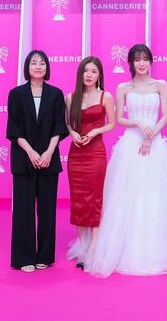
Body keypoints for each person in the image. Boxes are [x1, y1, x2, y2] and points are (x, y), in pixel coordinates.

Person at [84, 44, 167, 277]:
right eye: (137, 59)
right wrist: (137, 123)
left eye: (145, 59)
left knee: (155, 196)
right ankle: (125, 249)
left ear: (150, 61)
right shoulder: (123, 87)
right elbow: (119, 119)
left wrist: (150, 135)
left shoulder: (160, 85)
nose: (141, 63)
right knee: (127, 196)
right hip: (130, 146)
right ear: (131, 63)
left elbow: (165, 115)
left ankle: (159, 250)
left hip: (154, 145)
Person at [6, 50, 68, 273]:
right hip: (24, 160)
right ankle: (24, 257)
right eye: (34, 63)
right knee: (23, 210)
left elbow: (59, 127)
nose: (38, 67)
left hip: (49, 160)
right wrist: (32, 153)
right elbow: (14, 129)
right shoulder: (16, 94)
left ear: (47, 68)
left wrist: (49, 152)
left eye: (42, 63)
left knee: (47, 210)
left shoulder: (56, 94)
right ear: (27, 67)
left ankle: (44, 256)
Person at [65, 56, 115, 267]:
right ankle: (84, 246)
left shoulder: (106, 97)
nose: (89, 75)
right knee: (78, 198)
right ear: (80, 73)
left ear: (99, 75)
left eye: (94, 71)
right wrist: (73, 133)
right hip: (76, 154)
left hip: (96, 153)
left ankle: (94, 247)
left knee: (95, 198)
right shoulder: (70, 97)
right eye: (86, 71)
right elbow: (69, 124)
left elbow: (112, 124)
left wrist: (96, 131)